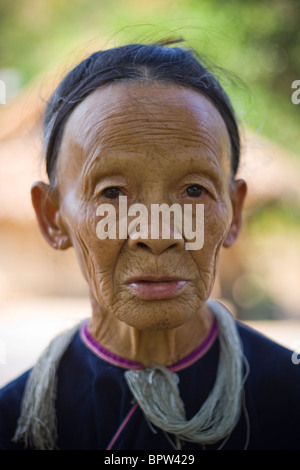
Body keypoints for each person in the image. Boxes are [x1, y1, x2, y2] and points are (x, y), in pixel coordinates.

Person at [0, 41, 299, 451]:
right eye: (112, 193)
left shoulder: (289, 398)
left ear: (235, 210)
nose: (158, 234)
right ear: (53, 217)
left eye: (194, 189)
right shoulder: (12, 422)